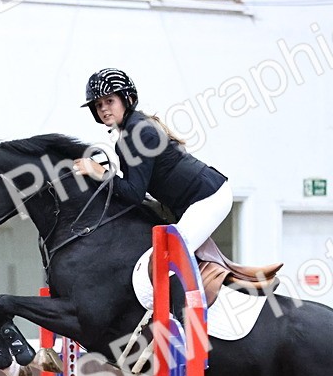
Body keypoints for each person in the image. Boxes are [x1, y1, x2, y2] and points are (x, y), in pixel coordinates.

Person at [73, 68, 232, 254]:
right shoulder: (127, 135)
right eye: (98, 105)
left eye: (109, 101)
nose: (104, 109)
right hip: (194, 200)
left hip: (207, 198)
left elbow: (134, 193)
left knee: (171, 255)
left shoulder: (139, 132)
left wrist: (101, 173)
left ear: (128, 99)